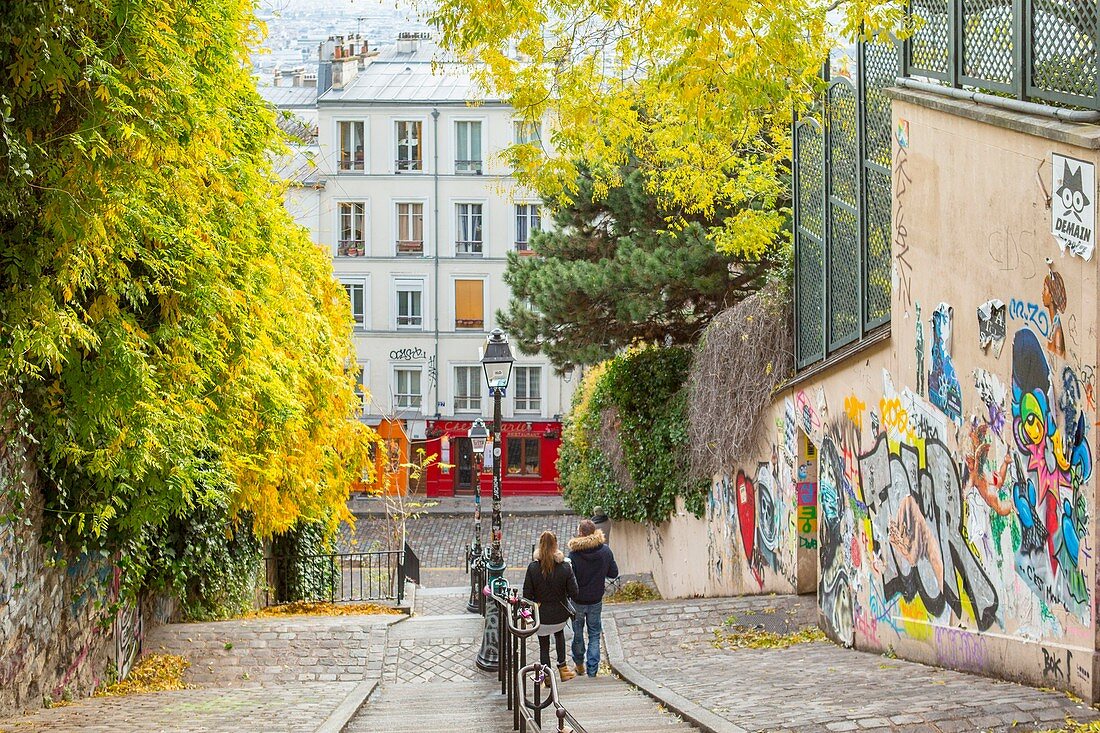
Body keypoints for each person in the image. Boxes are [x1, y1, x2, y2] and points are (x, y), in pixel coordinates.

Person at [523, 530, 579, 684]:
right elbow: (575, 592)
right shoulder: (565, 567)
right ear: (556, 545)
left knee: (543, 644)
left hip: (541, 615)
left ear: (540, 545)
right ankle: (563, 670)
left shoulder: (533, 568)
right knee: (559, 635)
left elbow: (526, 595)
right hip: (560, 615)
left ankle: (546, 675)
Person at [567, 519, 619, 677]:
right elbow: (613, 573)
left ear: (581, 533)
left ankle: (579, 664)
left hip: (577, 600)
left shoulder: (574, 554)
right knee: (595, 633)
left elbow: (570, 579)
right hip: (596, 599)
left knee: (577, 633)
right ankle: (592, 670)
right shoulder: (605, 551)